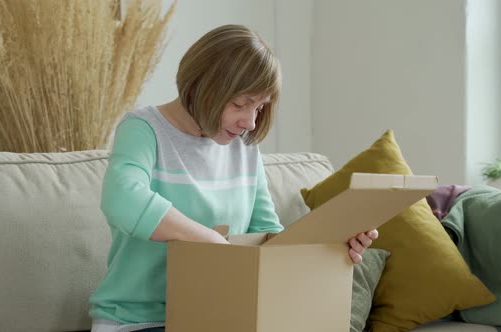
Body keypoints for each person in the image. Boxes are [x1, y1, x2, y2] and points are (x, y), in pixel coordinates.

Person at [89, 24, 379, 332]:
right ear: (200, 85)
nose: (250, 122)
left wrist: (330, 245)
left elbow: (267, 238)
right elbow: (122, 198)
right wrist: (211, 241)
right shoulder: (143, 129)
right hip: (138, 322)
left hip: (220, 319)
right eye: (240, 104)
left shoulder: (243, 148)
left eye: (260, 107)